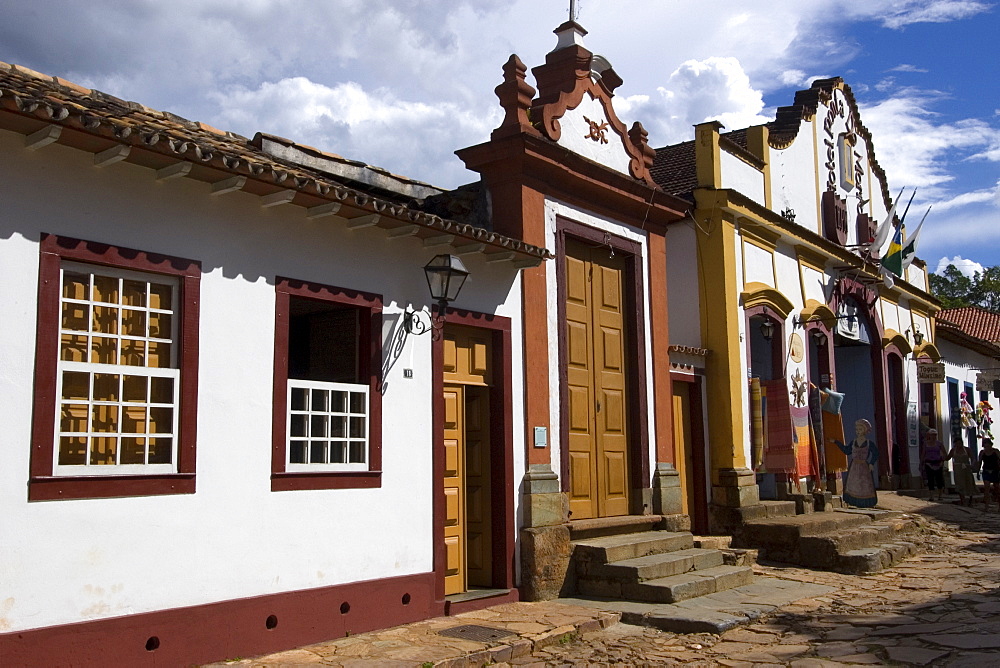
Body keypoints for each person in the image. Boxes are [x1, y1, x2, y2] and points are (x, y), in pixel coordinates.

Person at [834, 419, 879, 508]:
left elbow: (875, 453)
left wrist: (871, 463)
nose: (858, 431)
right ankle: (853, 501)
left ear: (865, 430)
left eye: (860, 429)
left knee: (864, 484)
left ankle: (866, 502)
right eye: (857, 429)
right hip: (854, 466)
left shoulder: (869, 443)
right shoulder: (853, 442)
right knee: (854, 484)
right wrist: (836, 442)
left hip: (864, 466)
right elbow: (846, 450)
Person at [921, 429, 949, 502]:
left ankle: (940, 495)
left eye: (935, 435)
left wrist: (943, 460)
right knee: (930, 480)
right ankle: (931, 496)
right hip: (928, 463)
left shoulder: (939, 444)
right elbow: (923, 454)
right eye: (932, 435)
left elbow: (944, 453)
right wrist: (921, 463)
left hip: (938, 463)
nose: (934, 436)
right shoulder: (926, 444)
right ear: (929, 436)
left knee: (939, 480)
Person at [950, 438, 978, 507]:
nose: (959, 445)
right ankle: (963, 500)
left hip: (966, 468)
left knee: (969, 483)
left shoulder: (967, 449)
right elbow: (947, 457)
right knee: (959, 484)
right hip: (958, 469)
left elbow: (973, 458)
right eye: (957, 443)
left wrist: (972, 465)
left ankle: (970, 500)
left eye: (960, 443)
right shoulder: (953, 450)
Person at [979, 438, 1000, 512]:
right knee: (986, 487)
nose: (987, 447)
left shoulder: (996, 451)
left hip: (995, 471)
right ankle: (986, 506)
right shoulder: (982, 452)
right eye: (985, 446)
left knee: (997, 488)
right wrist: (978, 471)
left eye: (988, 445)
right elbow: (980, 462)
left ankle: (998, 505)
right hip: (986, 471)